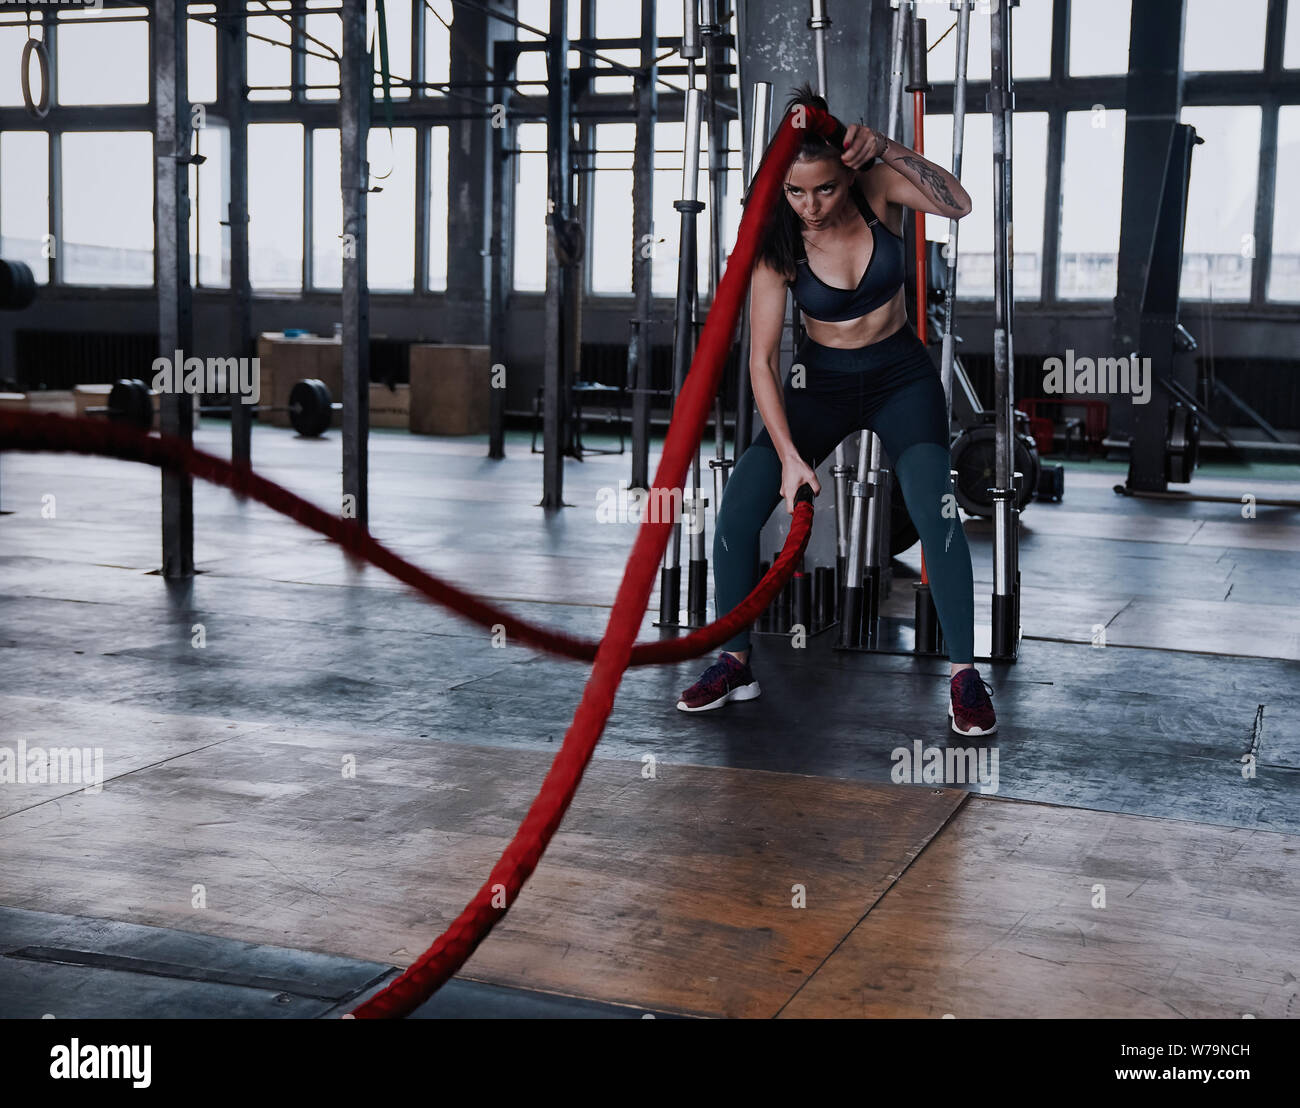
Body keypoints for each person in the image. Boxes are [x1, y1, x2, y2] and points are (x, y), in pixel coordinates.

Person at [676, 85, 997, 737]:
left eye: (823, 189)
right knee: (737, 511)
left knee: (938, 513)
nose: (810, 206)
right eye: (796, 192)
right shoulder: (777, 240)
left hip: (900, 378)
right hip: (816, 384)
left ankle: (964, 675)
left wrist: (889, 147)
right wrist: (791, 458)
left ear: (846, 175)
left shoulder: (878, 188)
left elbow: (959, 204)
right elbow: (761, 362)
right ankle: (735, 663)